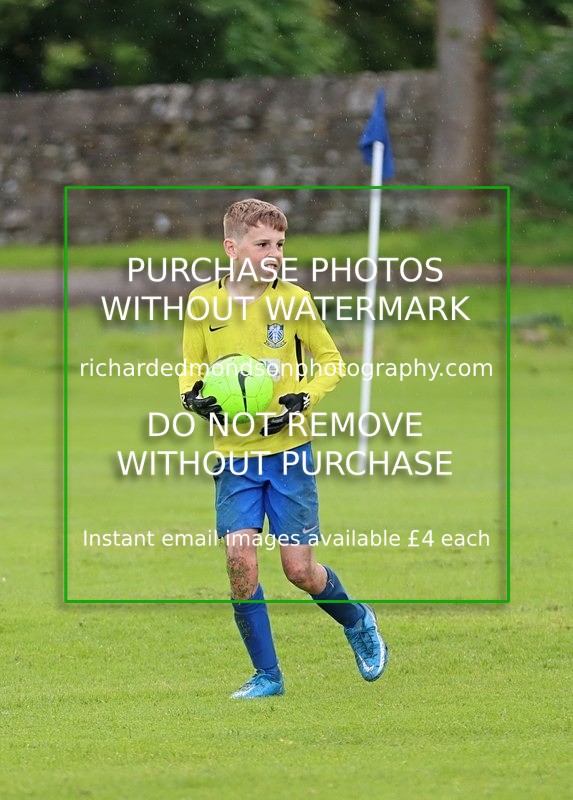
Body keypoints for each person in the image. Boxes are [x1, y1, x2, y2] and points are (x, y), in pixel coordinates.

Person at [180, 198, 388, 699]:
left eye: (280, 245)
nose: (274, 254)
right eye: (263, 244)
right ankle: (267, 676)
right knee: (240, 564)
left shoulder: (293, 300)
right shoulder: (202, 303)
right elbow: (191, 367)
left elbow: (331, 361)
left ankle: (357, 620)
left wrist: (304, 396)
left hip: (289, 453)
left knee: (299, 570)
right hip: (234, 455)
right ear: (232, 247)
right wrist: (193, 397)